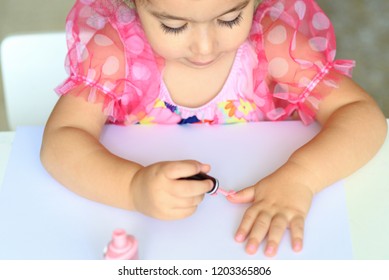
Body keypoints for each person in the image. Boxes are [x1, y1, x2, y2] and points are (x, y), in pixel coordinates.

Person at [40, 0, 387, 257]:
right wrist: (131, 187)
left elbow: (361, 115)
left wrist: (303, 177)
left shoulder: (272, 42)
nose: (205, 47)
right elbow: (61, 140)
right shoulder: (115, 52)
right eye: (174, 26)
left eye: (230, 18)